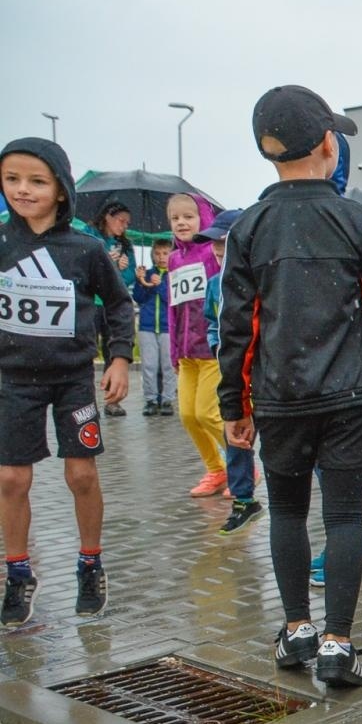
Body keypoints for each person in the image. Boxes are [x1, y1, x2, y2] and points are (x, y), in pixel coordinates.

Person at [218, 85, 362, 688]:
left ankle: (296, 630)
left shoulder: (248, 228)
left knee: (285, 510)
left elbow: (237, 326)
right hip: (351, 396)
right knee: (342, 519)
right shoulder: (357, 221)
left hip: (278, 396)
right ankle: (338, 643)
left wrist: (234, 401)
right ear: (329, 145)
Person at [0, 138, 132, 624]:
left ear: (60, 190)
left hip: (73, 379)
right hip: (13, 381)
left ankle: (90, 563)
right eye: (12, 179)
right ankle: (18, 573)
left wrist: (118, 359)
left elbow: (118, 304)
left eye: (37, 181)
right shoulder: (2, 243)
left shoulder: (85, 248)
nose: (23, 189)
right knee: (11, 478)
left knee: (80, 474)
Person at [197, 209, 264, 535]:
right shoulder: (213, 284)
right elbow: (212, 322)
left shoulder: (261, 276)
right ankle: (243, 499)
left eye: (225, 241)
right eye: (215, 243)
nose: (219, 249)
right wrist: (216, 347)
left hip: (265, 371)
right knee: (234, 433)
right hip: (233, 370)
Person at [165, 192, 229, 497]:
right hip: (186, 351)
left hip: (211, 349)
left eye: (188, 216)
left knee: (207, 413)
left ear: (202, 219)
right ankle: (215, 470)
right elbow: (173, 307)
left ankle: (241, 465)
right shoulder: (174, 258)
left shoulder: (210, 254)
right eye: (175, 218)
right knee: (188, 415)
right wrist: (174, 351)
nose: (181, 223)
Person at [90, 201, 136, 416]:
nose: (124, 226)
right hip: (90, 304)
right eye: (121, 221)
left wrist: (120, 268)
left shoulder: (125, 246)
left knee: (112, 351)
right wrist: (104, 262)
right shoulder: (89, 236)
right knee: (87, 350)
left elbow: (126, 280)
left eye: (127, 223)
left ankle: (112, 400)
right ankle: (85, 399)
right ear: (108, 216)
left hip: (112, 305)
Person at [131, 237, 175, 416]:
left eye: (165, 253)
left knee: (168, 365)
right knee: (149, 365)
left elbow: (170, 299)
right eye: (157, 253)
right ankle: (150, 399)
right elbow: (138, 297)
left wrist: (159, 285)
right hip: (147, 326)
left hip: (167, 327)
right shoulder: (147, 274)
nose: (161, 257)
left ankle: (167, 400)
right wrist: (141, 281)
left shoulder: (174, 275)